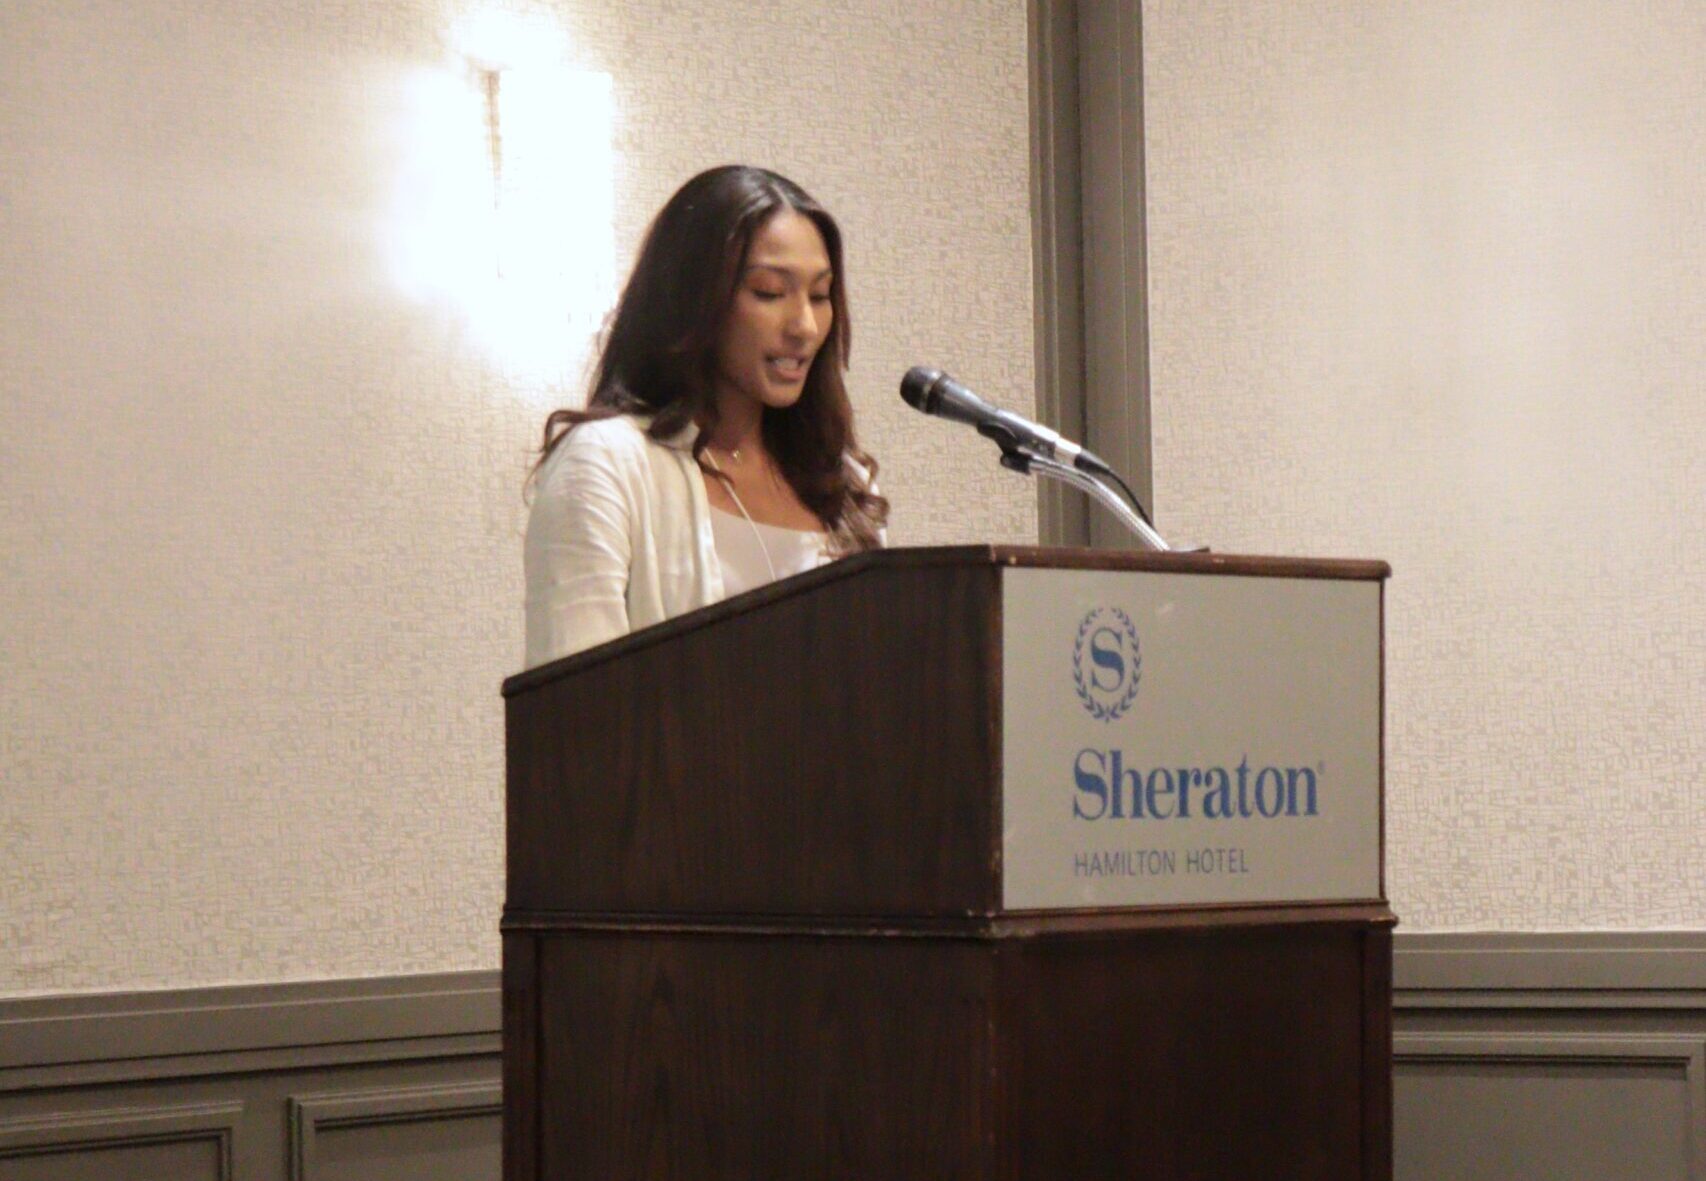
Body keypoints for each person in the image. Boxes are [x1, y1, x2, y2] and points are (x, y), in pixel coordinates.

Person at [523, 165, 888, 668]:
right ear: (693, 298)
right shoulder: (606, 465)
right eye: (769, 292)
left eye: (820, 296)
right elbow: (575, 711)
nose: (804, 325)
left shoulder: (839, 478)